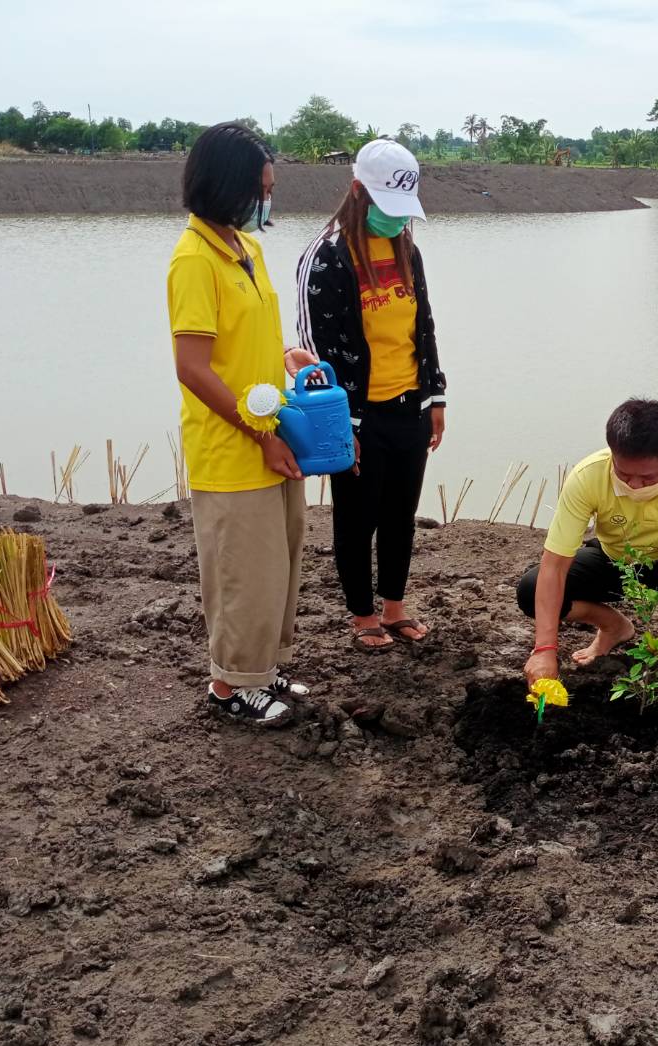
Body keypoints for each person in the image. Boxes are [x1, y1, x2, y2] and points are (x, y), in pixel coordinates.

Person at [167, 121, 317, 727]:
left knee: (280, 559)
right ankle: (228, 687)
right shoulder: (193, 260)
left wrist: (285, 359)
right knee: (242, 570)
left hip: (275, 431)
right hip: (235, 447)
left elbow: (244, 341)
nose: (268, 198)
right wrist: (260, 435)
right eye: (262, 187)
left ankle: (264, 669)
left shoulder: (246, 249)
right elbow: (193, 368)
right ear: (228, 186)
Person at [296, 138, 445, 649]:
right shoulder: (325, 258)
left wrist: (436, 399)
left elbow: (423, 327)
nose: (395, 219)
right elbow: (316, 353)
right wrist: (340, 428)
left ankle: (395, 608)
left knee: (401, 514)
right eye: (386, 208)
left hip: (410, 406)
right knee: (358, 519)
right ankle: (362, 615)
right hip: (360, 417)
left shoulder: (407, 246)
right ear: (358, 191)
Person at [519, 398, 658, 688]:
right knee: (530, 590)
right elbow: (555, 565)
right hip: (615, 560)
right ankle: (613, 626)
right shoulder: (588, 476)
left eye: (647, 478)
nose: (634, 485)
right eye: (624, 474)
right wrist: (545, 649)